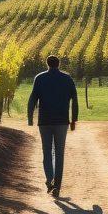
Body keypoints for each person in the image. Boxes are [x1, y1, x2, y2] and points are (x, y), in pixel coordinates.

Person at [27, 54, 78, 198]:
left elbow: (32, 99)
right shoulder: (67, 79)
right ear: (59, 64)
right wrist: (73, 119)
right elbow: (75, 99)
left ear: (47, 64)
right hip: (62, 121)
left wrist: (30, 118)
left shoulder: (40, 78)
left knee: (47, 151)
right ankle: (57, 186)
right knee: (59, 153)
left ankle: (49, 179)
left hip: (45, 121)